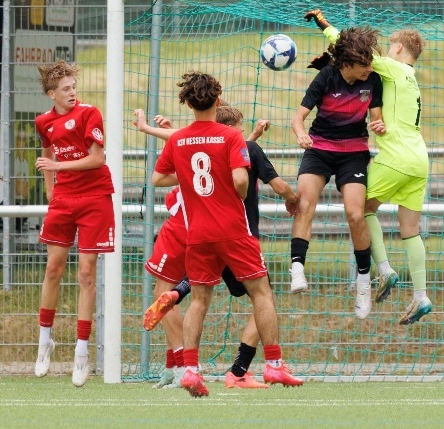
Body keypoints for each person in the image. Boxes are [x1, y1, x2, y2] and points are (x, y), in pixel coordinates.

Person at [151, 71, 302, 396]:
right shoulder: (231, 136)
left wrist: (188, 178)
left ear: (188, 104)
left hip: (197, 233)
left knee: (199, 300)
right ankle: (274, 364)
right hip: (233, 230)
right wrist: (236, 190)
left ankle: (190, 370)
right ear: (218, 100)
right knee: (261, 293)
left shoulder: (177, 140)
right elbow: (241, 181)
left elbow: (158, 179)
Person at [304, 9, 433, 325]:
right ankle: (421, 295)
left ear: (398, 48)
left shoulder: (393, 68)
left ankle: (384, 269)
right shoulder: (410, 79)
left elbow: (350, 47)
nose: (382, 54)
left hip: (397, 158)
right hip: (419, 159)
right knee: (410, 230)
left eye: (389, 47)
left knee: (360, 210)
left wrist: (323, 24)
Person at [288, 24, 384, 321]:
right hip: (319, 149)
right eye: (363, 64)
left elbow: (376, 117)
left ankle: (364, 281)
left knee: (355, 214)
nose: (370, 68)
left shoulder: (373, 81)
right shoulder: (326, 77)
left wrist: (379, 125)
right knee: (304, 204)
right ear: (347, 63)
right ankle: (297, 269)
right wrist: (301, 134)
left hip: (353, 153)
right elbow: (298, 118)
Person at [32, 60, 116, 387]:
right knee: (53, 268)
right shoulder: (43, 121)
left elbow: (97, 158)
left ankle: (81, 353)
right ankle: (44, 343)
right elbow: (47, 156)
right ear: (51, 94)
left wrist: (58, 167)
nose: (72, 92)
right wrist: (51, 192)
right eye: (65, 89)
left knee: (86, 273)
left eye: (73, 87)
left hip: (95, 198)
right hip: (64, 200)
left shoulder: (89, 113)